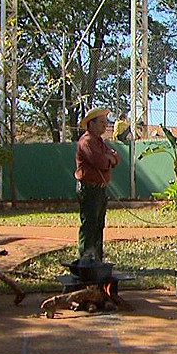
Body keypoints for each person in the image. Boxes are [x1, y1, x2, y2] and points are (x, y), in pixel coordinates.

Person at [75, 107, 119, 262]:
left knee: (99, 225)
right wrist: (108, 158)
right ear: (90, 124)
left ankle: (97, 260)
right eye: (101, 122)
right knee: (89, 225)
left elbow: (116, 158)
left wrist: (109, 157)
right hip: (89, 189)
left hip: (100, 190)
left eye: (105, 122)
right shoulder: (86, 142)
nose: (104, 126)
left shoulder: (100, 142)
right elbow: (100, 161)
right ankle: (86, 260)